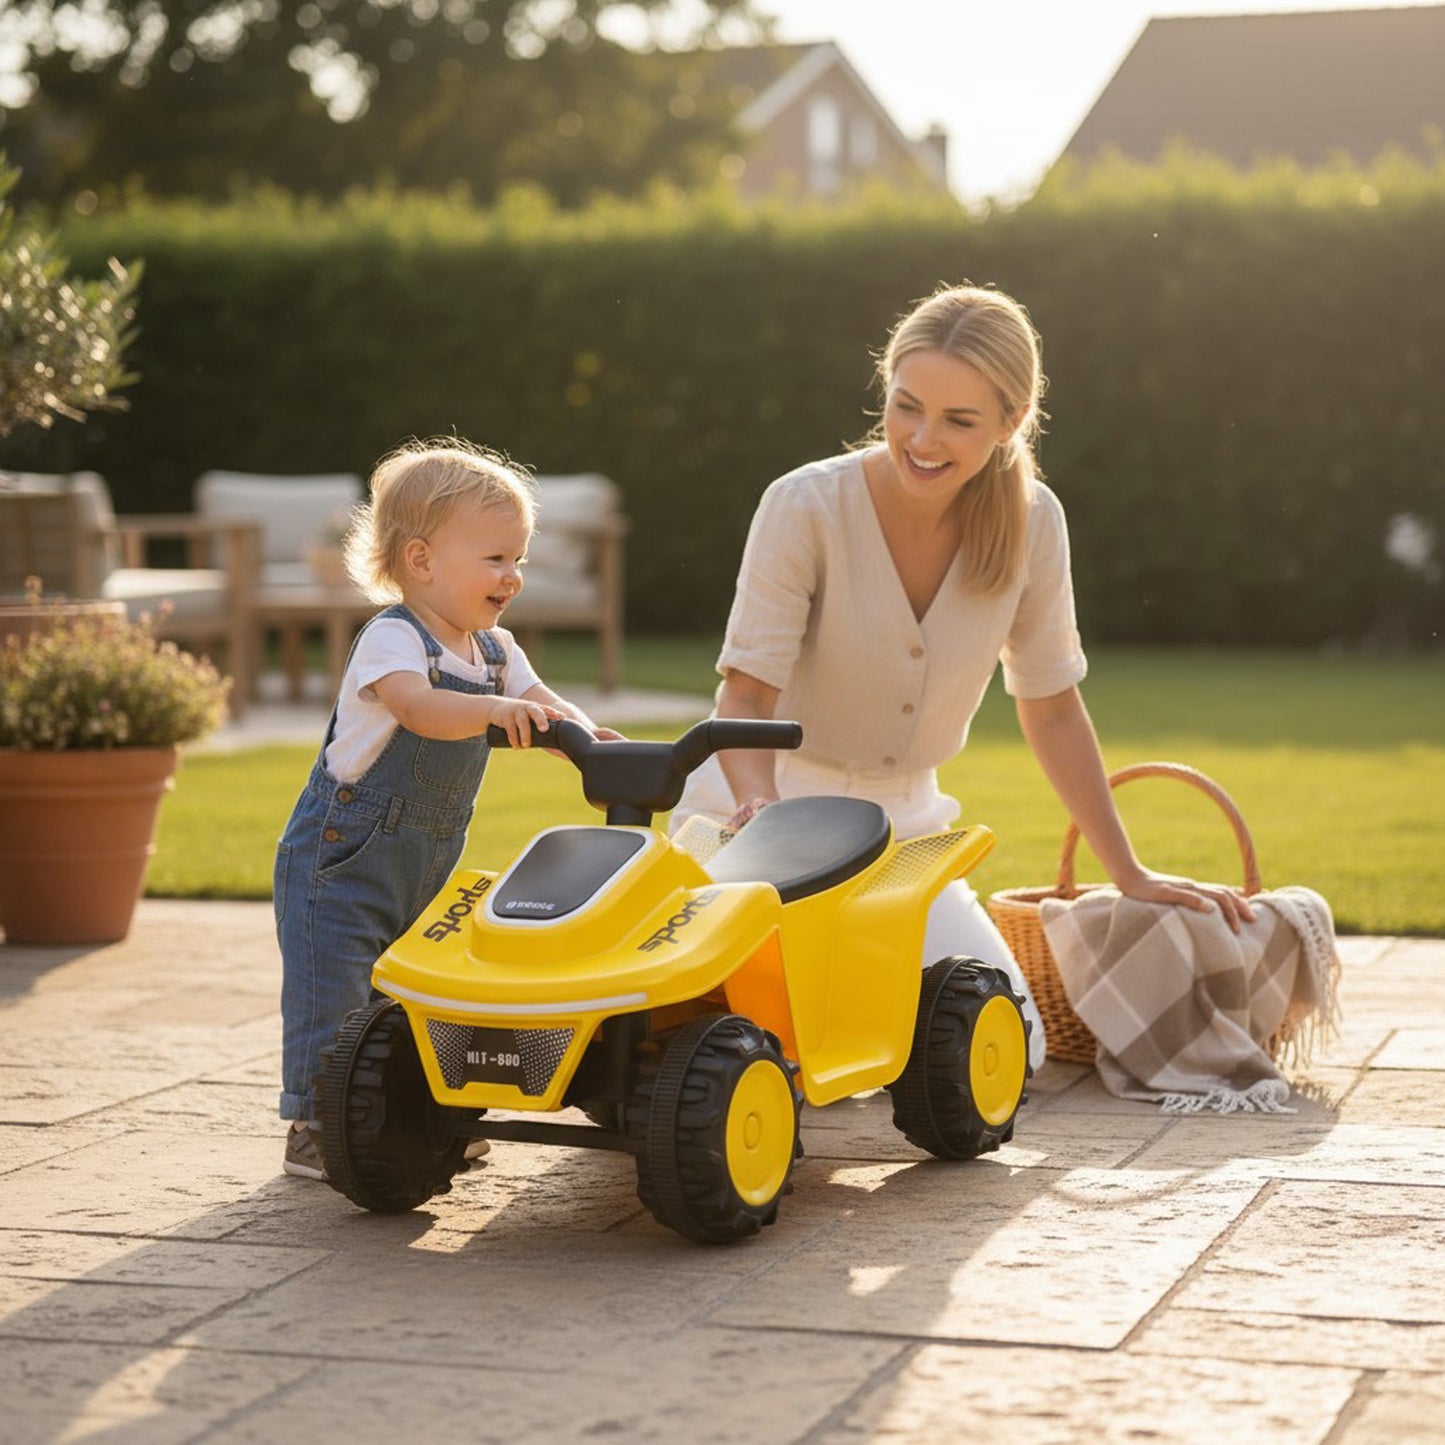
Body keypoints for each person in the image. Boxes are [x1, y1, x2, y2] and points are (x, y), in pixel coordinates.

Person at [671, 283, 1254, 1069]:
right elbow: (744, 697)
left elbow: (1050, 706)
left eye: (958, 420)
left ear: (1011, 421)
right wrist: (762, 817)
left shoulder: (1033, 521)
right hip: (764, 816)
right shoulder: (804, 504)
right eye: (906, 405)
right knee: (766, 1046)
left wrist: (1127, 870)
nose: (921, 437)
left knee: (1011, 1047)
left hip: (903, 834)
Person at [275, 437, 617, 1179]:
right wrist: (493, 710)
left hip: (424, 860)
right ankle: (312, 1119)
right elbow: (422, 710)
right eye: (495, 558)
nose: (513, 576)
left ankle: (428, 1115)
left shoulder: (495, 649)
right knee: (332, 994)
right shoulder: (391, 640)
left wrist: (584, 736)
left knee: (421, 990)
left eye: (517, 557)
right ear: (422, 561)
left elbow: (541, 706)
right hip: (340, 861)